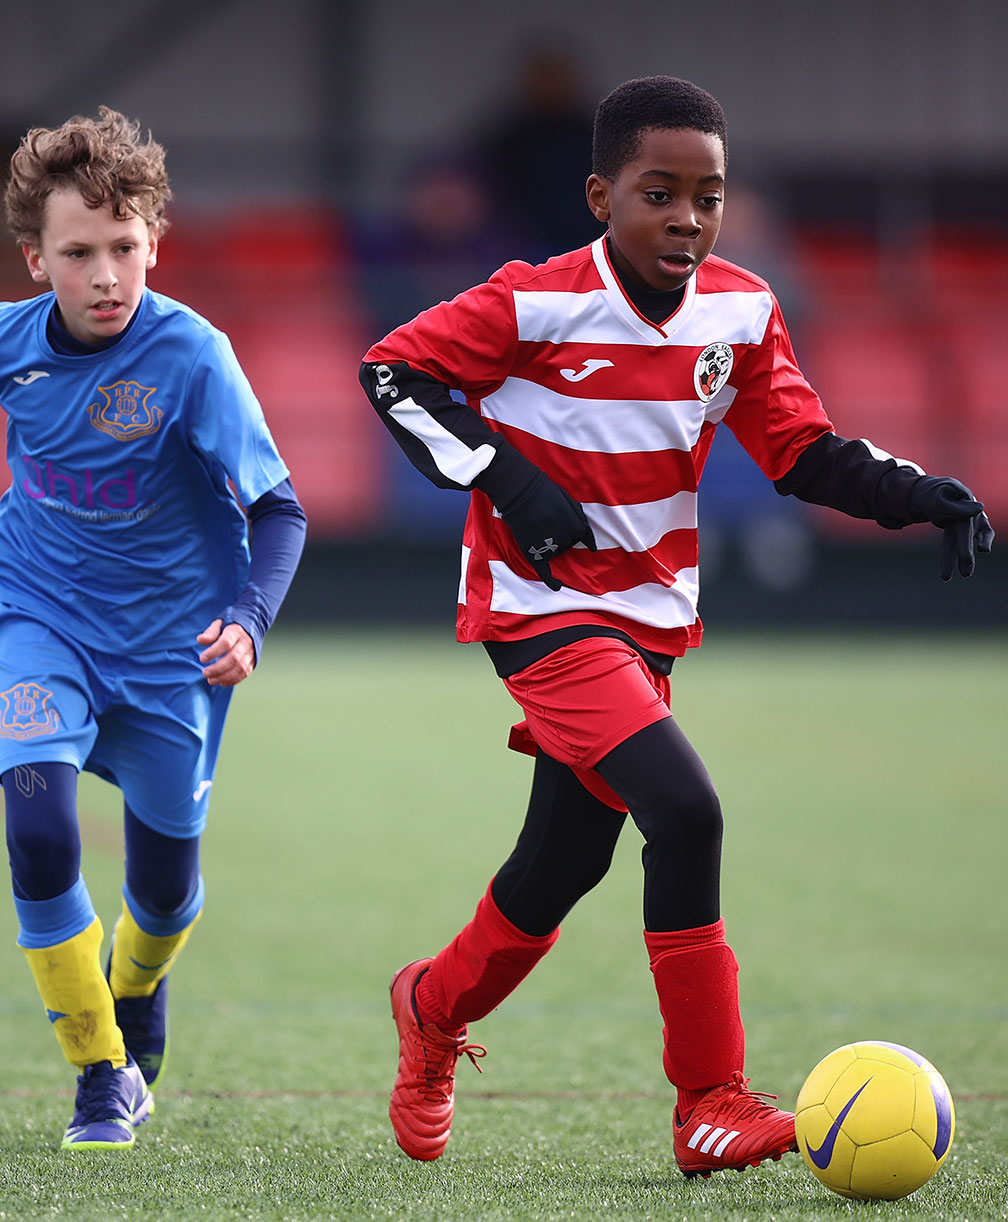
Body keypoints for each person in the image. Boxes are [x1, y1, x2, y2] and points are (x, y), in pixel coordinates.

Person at [357, 76, 993, 1176]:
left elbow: (805, 450)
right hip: (542, 611)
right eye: (660, 193)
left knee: (560, 864)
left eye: (708, 196)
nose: (688, 218)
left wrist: (921, 489)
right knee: (687, 811)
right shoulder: (533, 301)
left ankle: (432, 1007)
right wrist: (506, 475)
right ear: (604, 196)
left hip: (651, 621)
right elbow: (392, 372)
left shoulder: (741, 312)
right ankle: (711, 1100)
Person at [0, 107, 306, 1150]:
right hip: (37, 619)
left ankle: (136, 994)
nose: (104, 275)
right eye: (77, 253)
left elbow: (280, 511)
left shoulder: (195, 357)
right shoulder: (12, 347)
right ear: (34, 258)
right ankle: (99, 1075)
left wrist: (250, 622)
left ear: (154, 243)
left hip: (175, 653)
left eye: (123, 249)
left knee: (163, 897)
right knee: (37, 826)